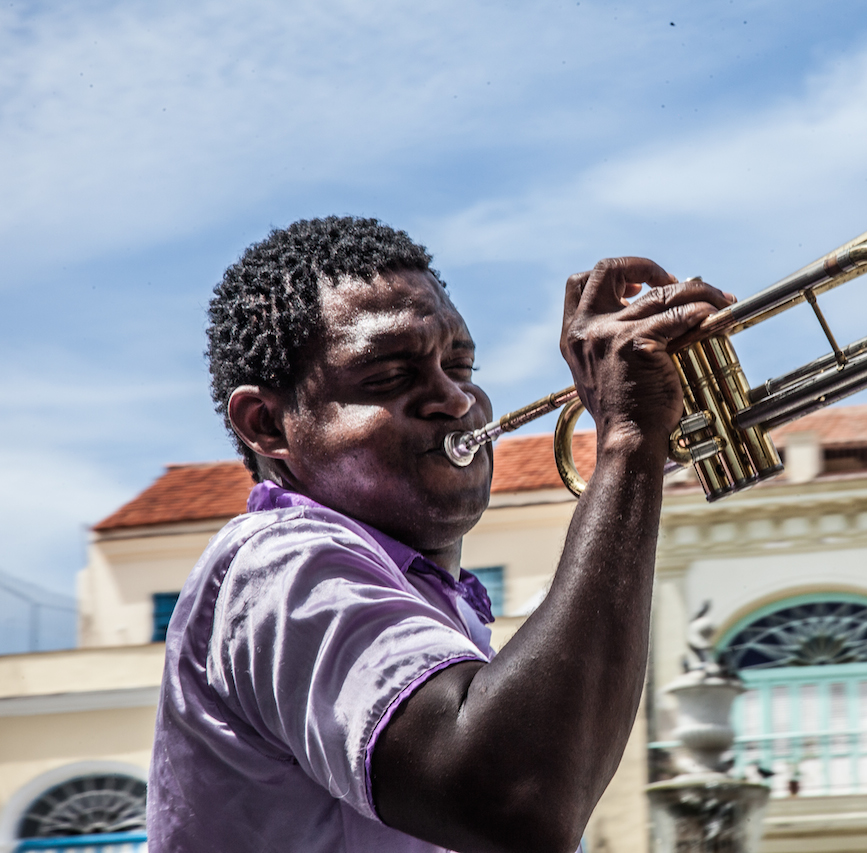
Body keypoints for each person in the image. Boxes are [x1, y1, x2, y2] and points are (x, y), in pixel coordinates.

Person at [147, 216, 733, 852]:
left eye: (461, 365)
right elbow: (518, 800)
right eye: (391, 378)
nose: (455, 400)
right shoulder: (281, 563)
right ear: (268, 423)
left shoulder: (425, 597)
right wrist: (627, 442)